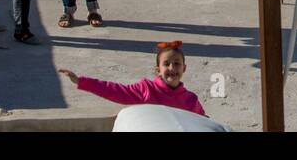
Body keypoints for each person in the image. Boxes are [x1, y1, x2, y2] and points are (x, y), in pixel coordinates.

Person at [58, 41, 206, 116]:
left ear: (184, 69)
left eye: (177, 64)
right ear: (158, 70)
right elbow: (114, 90)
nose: (172, 68)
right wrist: (82, 81)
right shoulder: (146, 90)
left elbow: (204, 124)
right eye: (166, 64)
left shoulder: (190, 100)